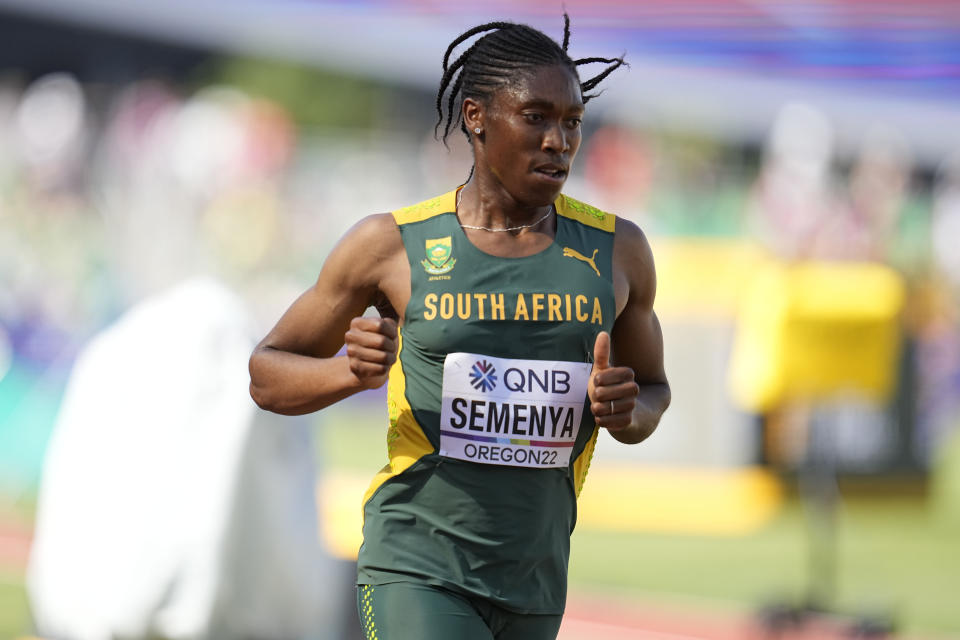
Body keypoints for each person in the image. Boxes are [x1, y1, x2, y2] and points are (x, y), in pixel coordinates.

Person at [249, 14, 670, 640]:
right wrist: (348, 372)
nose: (558, 141)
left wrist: (624, 411)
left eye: (572, 123)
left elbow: (653, 392)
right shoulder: (388, 246)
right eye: (536, 118)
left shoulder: (619, 251)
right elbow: (266, 373)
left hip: (535, 577)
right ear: (475, 116)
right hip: (416, 565)